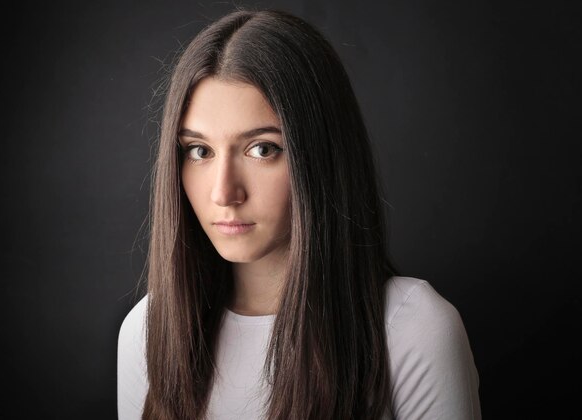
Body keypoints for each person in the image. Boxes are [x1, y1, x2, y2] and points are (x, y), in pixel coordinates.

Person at [117, 8, 481, 420]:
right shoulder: (146, 333)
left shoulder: (412, 331)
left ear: (321, 155)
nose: (223, 192)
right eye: (199, 151)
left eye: (262, 149)